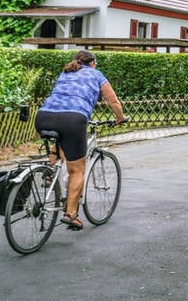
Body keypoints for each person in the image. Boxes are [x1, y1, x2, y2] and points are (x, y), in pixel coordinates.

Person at [34, 50, 126, 231]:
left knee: (60, 140)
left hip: (44, 116)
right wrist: (120, 118)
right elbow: (113, 100)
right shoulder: (96, 74)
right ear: (92, 63)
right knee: (77, 170)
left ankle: (49, 172)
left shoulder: (66, 71)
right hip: (73, 119)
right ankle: (71, 214)